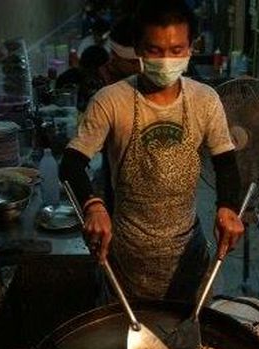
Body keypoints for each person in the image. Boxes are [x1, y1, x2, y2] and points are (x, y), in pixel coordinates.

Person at [60, 0, 244, 303]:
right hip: (127, 254)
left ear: (190, 48)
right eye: (155, 50)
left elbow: (225, 162)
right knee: (129, 344)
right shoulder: (110, 101)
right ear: (139, 49)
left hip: (187, 250)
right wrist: (93, 206)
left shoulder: (205, 100)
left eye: (176, 50)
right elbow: (71, 164)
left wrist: (227, 206)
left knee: (187, 339)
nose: (166, 60)